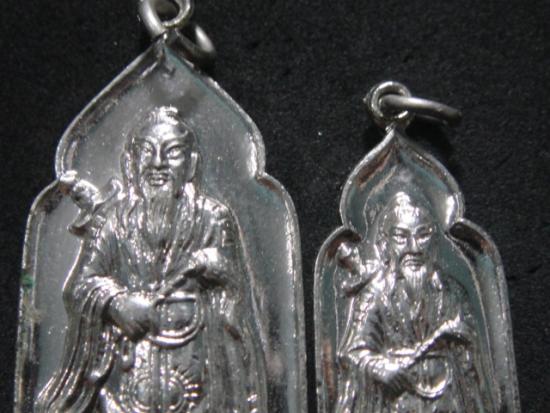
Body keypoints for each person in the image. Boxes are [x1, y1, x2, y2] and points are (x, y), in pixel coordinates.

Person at [36, 107, 265, 413]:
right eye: (147, 151)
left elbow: (235, 292)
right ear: (130, 163)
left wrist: (217, 266)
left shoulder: (212, 218)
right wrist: (116, 302)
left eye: (172, 153)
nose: (158, 163)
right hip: (127, 374)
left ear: (191, 165)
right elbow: (81, 286)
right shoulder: (113, 221)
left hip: (197, 372)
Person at [335, 192, 493, 412]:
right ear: (385, 244)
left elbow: (470, 346)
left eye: (423, 235)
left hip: (446, 399)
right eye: (401, 237)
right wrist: (381, 368)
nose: (414, 248)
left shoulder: (452, 293)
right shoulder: (375, 294)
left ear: (434, 242)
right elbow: (353, 353)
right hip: (395, 402)